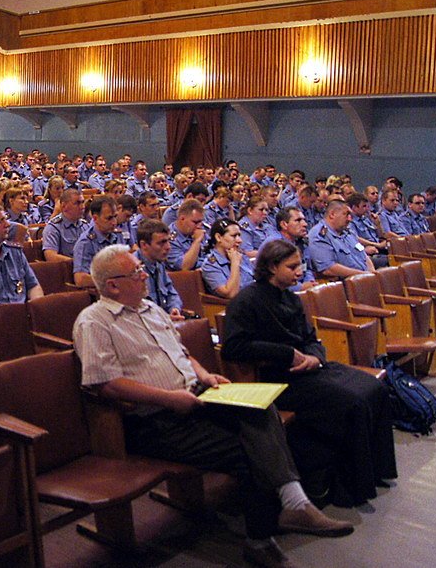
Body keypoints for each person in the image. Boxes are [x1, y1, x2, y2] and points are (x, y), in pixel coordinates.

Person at [74, 245, 354, 568]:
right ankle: (261, 541)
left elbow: (179, 353)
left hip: (194, 397)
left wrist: (206, 375)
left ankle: (295, 502)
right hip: (154, 419)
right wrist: (170, 398)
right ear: (112, 285)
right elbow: (104, 384)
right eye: (137, 272)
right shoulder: (94, 322)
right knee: (249, 451)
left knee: (261, 408)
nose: (144, 275)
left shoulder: (150, 309)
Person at [221, 239, 398, 508]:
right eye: (291, 267)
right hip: (278, 378)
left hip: (308, 370)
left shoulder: (291, 298)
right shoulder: (246, 302)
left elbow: (310, 337)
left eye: (299, 265)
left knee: (374, 387)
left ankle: (375, 470)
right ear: (271, 267)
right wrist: (288, 354)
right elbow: (234, 347)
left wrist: (316, 357)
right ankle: (348, 485)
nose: (299, 271)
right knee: (352, 402)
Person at [308, 200, 375, 279]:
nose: (350, 219)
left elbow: (363, 255)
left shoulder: (348, 232)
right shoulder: (319, 235)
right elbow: (329, 268)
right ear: (332, 214)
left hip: (364, 279)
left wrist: (372, 273)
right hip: (345, 284)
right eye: (346, 214)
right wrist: (364, 275)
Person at [135, 219, 184, 321]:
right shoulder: (132, 270)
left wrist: (174, 308)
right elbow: (135, 312)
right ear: (144, 245)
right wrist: (164, 318)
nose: (168, 247)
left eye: (168, 241)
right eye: (161, 243)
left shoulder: (158, 262)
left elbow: (171, 292)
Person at [72, 195, 124, 288]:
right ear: (95, 218)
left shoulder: (117, 235)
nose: (114, 222)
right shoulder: (86, 243)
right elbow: (80, 279)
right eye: (109, 218)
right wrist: (112, 282)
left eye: (115, 217)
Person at [262, 207, 317, 291]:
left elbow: (307, 268)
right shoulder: (273, 244)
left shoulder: (301, 242)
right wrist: (300, 287)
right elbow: (269, 279)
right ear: (284, 224)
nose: (305, 224)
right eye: (298, 220)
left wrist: (310, 282)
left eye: (304, 220)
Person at [201, 218, 256, 298]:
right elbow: (230, 294)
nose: (239, 240)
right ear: (218, 237)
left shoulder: (240, 255)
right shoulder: (210, 265)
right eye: (234, 236)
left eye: (239, 235)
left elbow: (255, 278)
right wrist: (235, 264)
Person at [41, 188, 88, 264]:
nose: (82, 207)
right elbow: (51, 256)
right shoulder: (53, 228)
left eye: (83, 202)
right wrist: (78, 263)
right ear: (63, 206)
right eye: (77, 203)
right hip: (67, 271)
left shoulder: (85, 225)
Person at [166, 199, 207, 271]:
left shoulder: (199, 230)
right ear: (182, 219)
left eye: (201, 221)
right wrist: (197, 241)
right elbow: (184, 266)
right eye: (195, 222)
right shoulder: (169, 239)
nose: (199, 226)